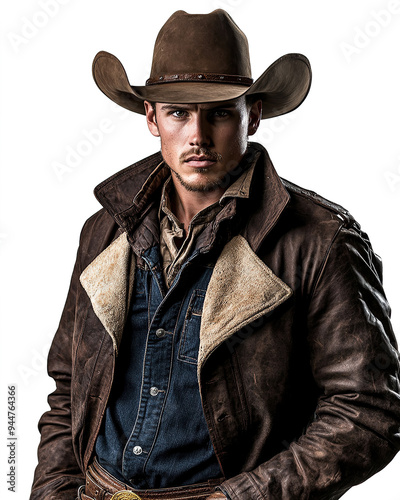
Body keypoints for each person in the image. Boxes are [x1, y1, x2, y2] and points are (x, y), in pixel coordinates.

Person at [30, 9, 400, 500]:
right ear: (151, 117)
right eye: (178, 113)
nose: (198, 136)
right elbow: (68, 385)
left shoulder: (319, 240)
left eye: (221, 111)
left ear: (255, 114)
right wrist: (53, 490)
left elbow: (367, 409)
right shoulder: (103, 231)